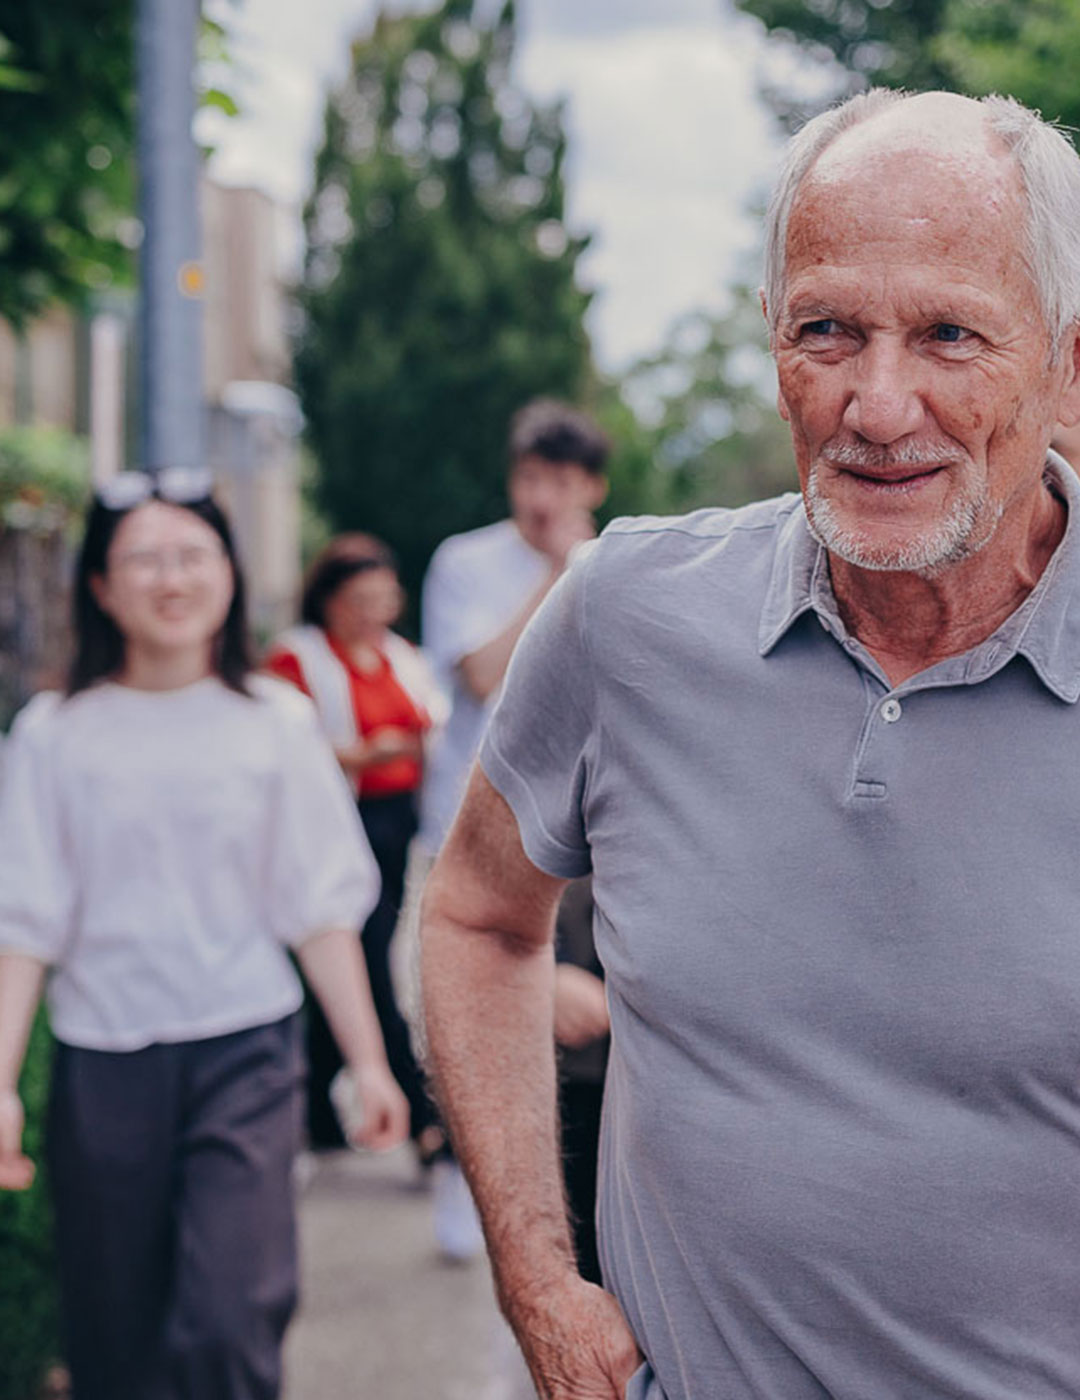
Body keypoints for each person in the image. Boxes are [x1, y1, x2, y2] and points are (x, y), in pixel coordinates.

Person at [421, 89, 1080, 1400]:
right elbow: (478, 917)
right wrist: (541, 1285)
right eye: (826, 329)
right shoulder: (625, 613)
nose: (876, 405)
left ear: (1068, 363)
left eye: (949, 334)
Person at [0, 471, 409, 1400]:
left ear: (229, 574)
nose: (172, 578)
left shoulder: (276, 723)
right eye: (144, 559)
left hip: (245, 1053)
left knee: (231, 1318)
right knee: (115, 1338)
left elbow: (318, 908)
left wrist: (368, 1062)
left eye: (194, 555)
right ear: (100, 586)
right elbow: (22, 918)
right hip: (104, 1060)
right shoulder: (55, 734)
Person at [417, 397, 610, 1261]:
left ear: (592, 487)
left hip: (575, 836)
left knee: (565, 1021)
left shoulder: (618, 561)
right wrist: (561, 576)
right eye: (531, 477)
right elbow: (480, 676)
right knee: (465, 1005)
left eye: (562, 481)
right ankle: (460, 1166)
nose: (542, 498)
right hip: (465, 827)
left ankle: (546, 1186)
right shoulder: (466, 561)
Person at [264, 535, 446, 1161]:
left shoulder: (401, 656)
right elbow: (283, 747)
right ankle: (421, 1112)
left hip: (397, 820)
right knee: (366, 958)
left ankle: (318, 1111)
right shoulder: (299, 658)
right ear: (329, 600)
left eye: (382, 599)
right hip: (338, 816)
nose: (372, 613)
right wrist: (362, 755)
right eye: (358, 600)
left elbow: (430, 725)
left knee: (357, 956)